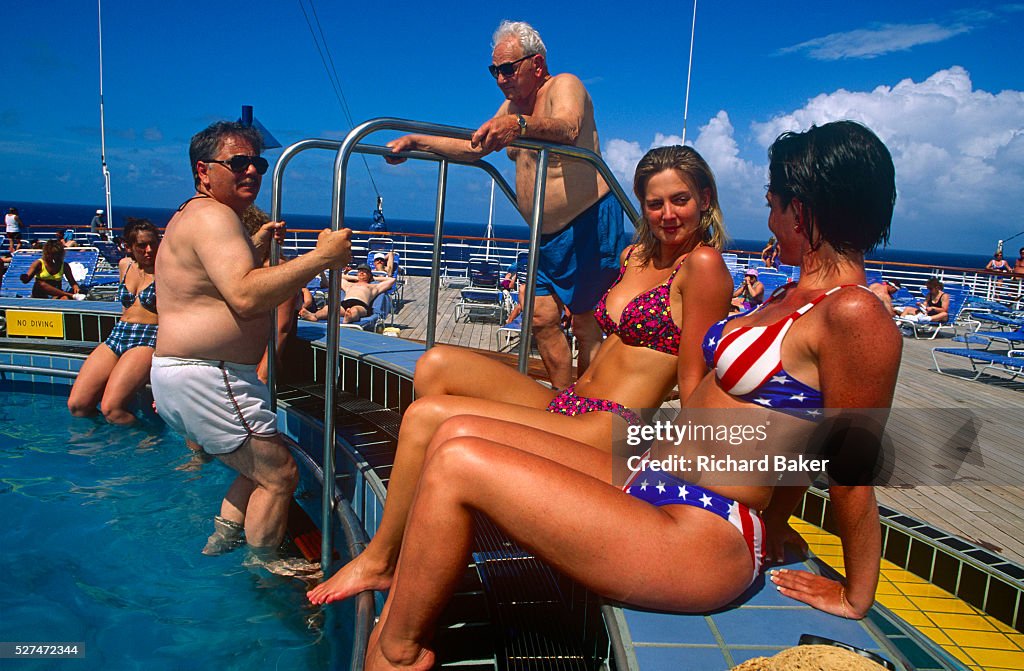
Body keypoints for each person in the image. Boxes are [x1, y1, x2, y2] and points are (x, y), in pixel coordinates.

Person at [359, 121, 900, 670]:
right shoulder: (791, 296)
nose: (769, 219)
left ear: (803, 209)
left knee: (458, 463)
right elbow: (786, 432)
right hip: (649, 474)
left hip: (707, 527)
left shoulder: (854, 314)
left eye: (775, 204)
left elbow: (848, 465)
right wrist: (781, 520)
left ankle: (396, 654)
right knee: (449, 432)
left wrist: (856, 593)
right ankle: (393, 604)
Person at [307, 144, 734, 605]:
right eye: (655, 203)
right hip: (571, 402)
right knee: (437, 363)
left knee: (427, 417)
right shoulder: (635, 256)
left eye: (680, 200)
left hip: (612, 427)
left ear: (705, 199)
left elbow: (694, 378)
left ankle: (382, 560)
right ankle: (452, 514)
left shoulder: (704, 267)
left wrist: (702, 475)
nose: (667, 214)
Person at [385, 20, 630, 389]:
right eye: (495, 70)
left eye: (508, 68)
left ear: (537, 64)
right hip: (543, 236)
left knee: (586, 323)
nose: (500, 78)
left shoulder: (564, 85)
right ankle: (564, 402)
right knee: (541, 319)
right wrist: (418, 142)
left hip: (589, 223)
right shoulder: (511, 107)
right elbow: (474, 147)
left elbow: (568, 127)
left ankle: (595, 407)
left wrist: (518, 126)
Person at [149, 120, 351, 562]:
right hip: (210, 375)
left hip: (193, 373)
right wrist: (322, 258)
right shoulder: (214, 216)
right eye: (238, 163)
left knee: (254, 468)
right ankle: (265, 570)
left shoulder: (195, 215)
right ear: (204, 171)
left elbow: (215, 284)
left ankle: (220, 543)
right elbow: (242, 294)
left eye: (257, 163)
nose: (252, 171)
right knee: (280, 475)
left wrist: (255, 245)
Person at [67, 219, 160, 424]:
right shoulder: (124, 266)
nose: (149, 250)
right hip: (118, 334)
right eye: (142, 245)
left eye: (153, 243)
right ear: (128, 247)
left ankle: (147, 441)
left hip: (148, 337)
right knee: (78, 405)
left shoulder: (168, 269)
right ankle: (102, 444)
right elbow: (126, 308)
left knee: (112, 408)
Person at [241, 205, 315, 384]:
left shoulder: (276, 269)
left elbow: (279, 329)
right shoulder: (246, 268)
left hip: (271, 362)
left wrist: (263, 377)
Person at [299, 264, 396, 324]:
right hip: (345, 303)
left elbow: (392, 280)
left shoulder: (373, 287)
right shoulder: (349, 285)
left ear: (369, 275)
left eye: (365, 272)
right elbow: (339, 277)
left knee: (355, 310)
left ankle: (348, 318)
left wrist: (374, 278)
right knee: (328, 309)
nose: (361, 273)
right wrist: (355, 278)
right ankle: (314, 316)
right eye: (360, 272)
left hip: (361, 304)